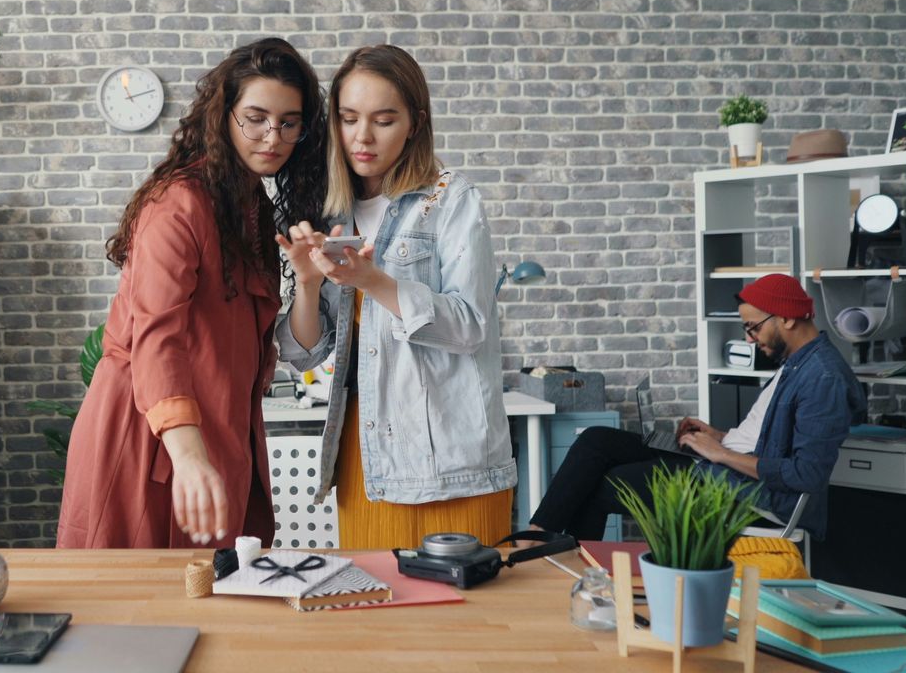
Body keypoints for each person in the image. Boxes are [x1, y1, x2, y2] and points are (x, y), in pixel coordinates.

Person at [56, 38, 327, 549]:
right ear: (223, 116)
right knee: (139, 591)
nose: (273, 137)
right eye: (256, 118)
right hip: (151, 431)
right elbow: (156, 337)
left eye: (289, 123)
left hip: (219, 430)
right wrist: (188, 454)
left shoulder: (253, 207)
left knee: (217, 586)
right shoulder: (179, 203)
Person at [275, 44, 515, 550]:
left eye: (383, 120)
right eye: (348, 119)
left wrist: (373, 281)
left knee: (465, 601)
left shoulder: (450, 199)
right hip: (367, 459)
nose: (362, 137)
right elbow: (306, 353)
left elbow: (471, 326)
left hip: (450, 464)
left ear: (414, 124)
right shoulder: (332, 211)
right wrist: (309, 283)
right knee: (374, 598)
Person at [529, 273, 865, 541]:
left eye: (753, 327)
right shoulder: (797, 363)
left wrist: (721, 454)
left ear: (787, 318)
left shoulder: (823, 379)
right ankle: (536, 537)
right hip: (724, 466)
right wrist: (718, 436)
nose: (749, 338)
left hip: (749, 494)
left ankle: (572, 575)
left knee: (602, 485)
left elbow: (806, 474)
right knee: (596, 439)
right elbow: (767, 436)